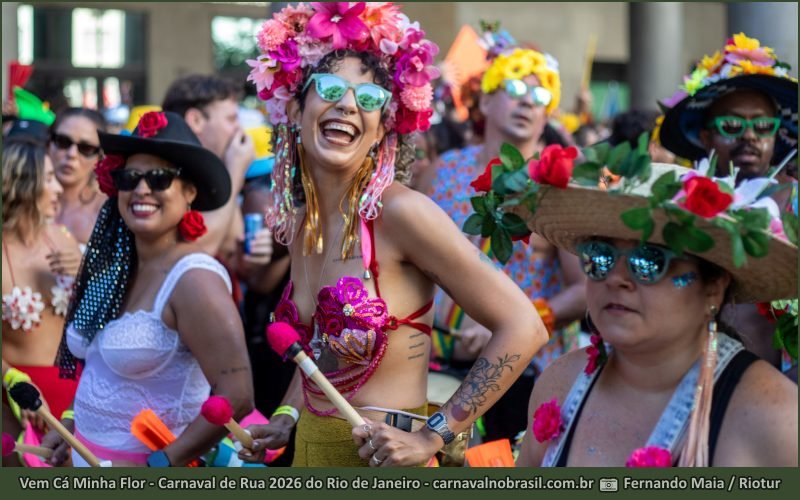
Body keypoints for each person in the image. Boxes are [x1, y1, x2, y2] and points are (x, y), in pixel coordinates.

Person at [238, 2, 545, 467]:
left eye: (369, 99)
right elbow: (319, 349)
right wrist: (286, 415)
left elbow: (523, 327)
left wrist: (433, 436)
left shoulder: (400, 213)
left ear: (383, 129)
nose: (347, 104)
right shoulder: (305, 221)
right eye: (330, 89)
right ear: (296, 109)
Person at [505, 158, 798, 466]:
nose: (616, 277)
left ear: (714, 286)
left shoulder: (774, 418)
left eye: (649, 261)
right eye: (600, 256)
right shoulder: (559, 383)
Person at [42, 111, 254, 467]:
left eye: (158, 178)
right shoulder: (113, 268)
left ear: (189, 192)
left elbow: (238, 395)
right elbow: (99, 371)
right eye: (130, 177)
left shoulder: (194, 279)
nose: (141, 189)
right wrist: (69, 425)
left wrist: (163, 464)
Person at [427, 30, 586, 442]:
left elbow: (586, 288)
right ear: (485, 99)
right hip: (435, 363)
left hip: (524, 373)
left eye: (541, 95)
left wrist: (511, 323)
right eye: (516, 87)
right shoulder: (442, 169)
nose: (528, 101)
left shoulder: (558, 184)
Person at [659, 33, 798, 370]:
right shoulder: (677, 202)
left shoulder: (796, 202)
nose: (749, 135)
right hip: (693, 381)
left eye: (763, 125)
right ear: (706, 136)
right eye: (732, 124)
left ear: (776, 136)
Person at [2, 139, 82, 467]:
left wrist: (84, 272)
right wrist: (16, 386)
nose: (59, 187)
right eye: (48, 179)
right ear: (22, 184)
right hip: (17, 401)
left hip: (72, 399)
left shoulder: (62, 237)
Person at [161, 74, 255, 258]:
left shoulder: (214, 170)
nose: (239, 129)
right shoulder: (165, 176)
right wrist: (235, 172)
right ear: (196, 120)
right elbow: (198, 251)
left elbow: (230, 244)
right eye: (231, 119)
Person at [48, 108, 109, 251]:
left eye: (86, 148)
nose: (72, 154)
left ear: (100, 157)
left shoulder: (108, 212)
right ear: (48, 144)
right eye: (63, 142)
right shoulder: (22, 204)